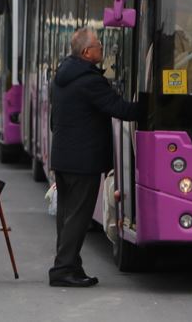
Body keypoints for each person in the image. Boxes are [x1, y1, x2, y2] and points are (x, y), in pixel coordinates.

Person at [49, 28, 140, 288]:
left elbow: (56, 119)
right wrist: (153, 104)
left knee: (66, 216)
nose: (103, 49)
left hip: (63, 157)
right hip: (82, 161)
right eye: (99, 45)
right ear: (87, 52)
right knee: (78, 217)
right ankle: (63, 269)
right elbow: (119, 108)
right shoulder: (90, 80)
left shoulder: (63, 75)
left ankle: (70, 266)